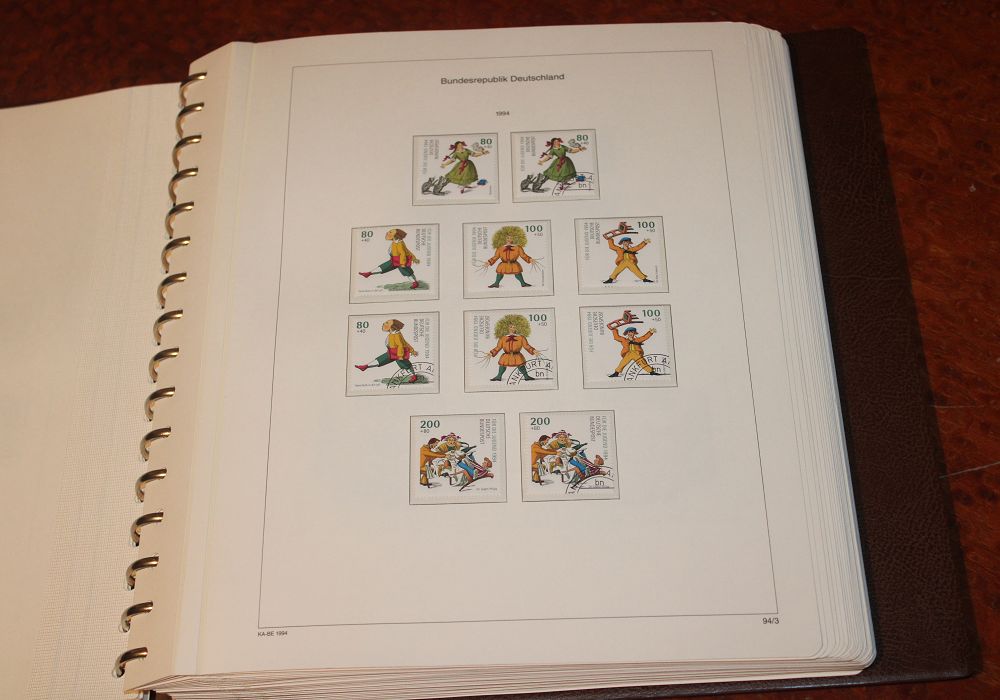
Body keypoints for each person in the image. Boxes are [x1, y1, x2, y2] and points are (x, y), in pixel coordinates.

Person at [354, 319, 419, 383]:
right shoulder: (392, 333)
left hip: (398, 353)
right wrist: (412, 351)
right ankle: (365, 366)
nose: (384, 324)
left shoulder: (396, 335)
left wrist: (400, 355)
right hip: (392, 352)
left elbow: (401, 345)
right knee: (381, 359)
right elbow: (405, 342)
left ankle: (413, 376)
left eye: (387, 323)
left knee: (406, 365)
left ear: (392, 326)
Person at [488, 314, 537, 382]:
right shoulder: (503, 338)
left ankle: (526, 376)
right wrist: (491, 353)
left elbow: (526, 346)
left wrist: (533, 350)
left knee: (521, 365)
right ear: (506, 327)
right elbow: (498, 347)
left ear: (518, 328)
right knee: (502, 365)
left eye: (514, 327)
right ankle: (498, 376)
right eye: (510, 327)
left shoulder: (521, 337)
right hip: (506, 355)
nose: (512, 329)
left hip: (517, 355)